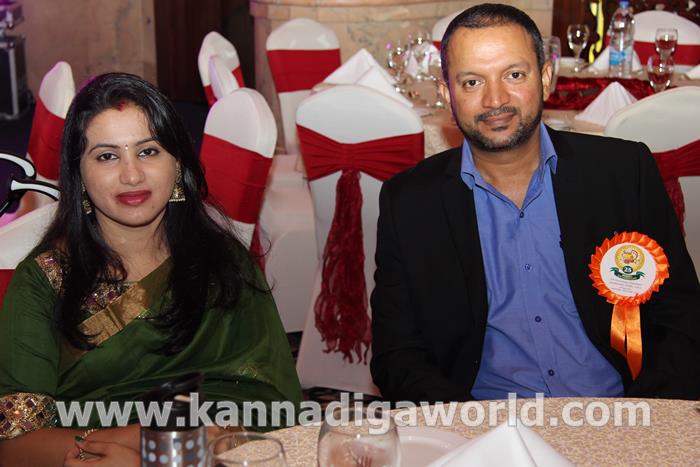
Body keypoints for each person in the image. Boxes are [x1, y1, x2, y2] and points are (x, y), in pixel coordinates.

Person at [370, 4, 700, 403]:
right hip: (485, 418)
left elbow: (682, 316)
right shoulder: (410, 203)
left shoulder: (624, 172)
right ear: (446, 94)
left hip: (619, 407)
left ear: (545, 78)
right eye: (472, 82)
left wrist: (640, 413)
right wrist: (469, 425)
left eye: (514, 75)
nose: (495, 99)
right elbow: (397, 354)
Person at [0, 72, 302, 465]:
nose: (132, 175)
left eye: (148, 151)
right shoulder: (44, 282)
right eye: (107, 156)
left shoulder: (222, 263)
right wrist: (145, 443)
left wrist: (204, 442)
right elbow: (15, 445)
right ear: (79, 174)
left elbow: (272, 403)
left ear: (177, 163)